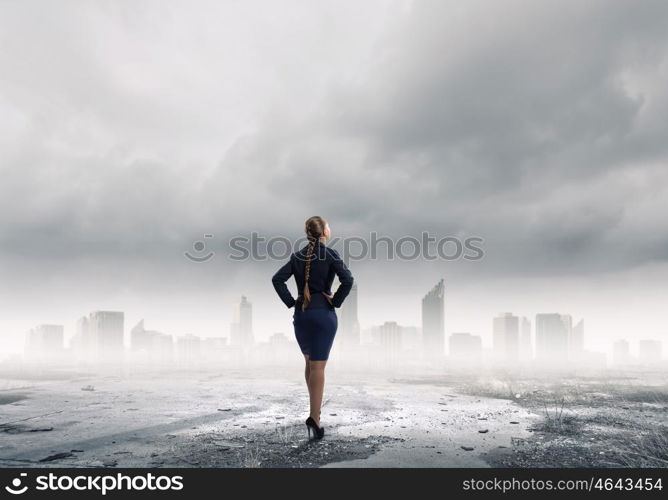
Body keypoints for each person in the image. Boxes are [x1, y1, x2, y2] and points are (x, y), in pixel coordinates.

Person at [271, 216, 354, 439]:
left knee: (309, 363)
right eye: (329, 225)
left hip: (302, 315)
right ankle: (314, 419)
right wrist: (335, 301)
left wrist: (291, 302)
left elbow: (277, 279)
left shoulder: (297, 256)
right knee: (318, 367)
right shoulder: (330, 253)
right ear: (324, 232)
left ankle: (314, 413)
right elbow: (348, 279)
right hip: (323, 315)